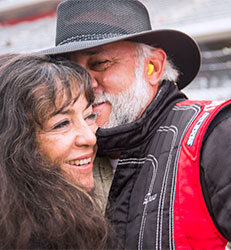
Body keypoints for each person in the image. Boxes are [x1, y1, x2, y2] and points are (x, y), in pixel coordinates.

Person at [41, 0, 231, 249]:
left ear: (153, 67)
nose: (84, 85)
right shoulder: (55, 153)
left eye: (99, 64)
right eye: (72, 72)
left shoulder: (217, 133)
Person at [0, 53, 119, 249]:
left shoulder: (65, 215)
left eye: (89, 116)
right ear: (12, 142)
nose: (90, 137)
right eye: (62, 124)